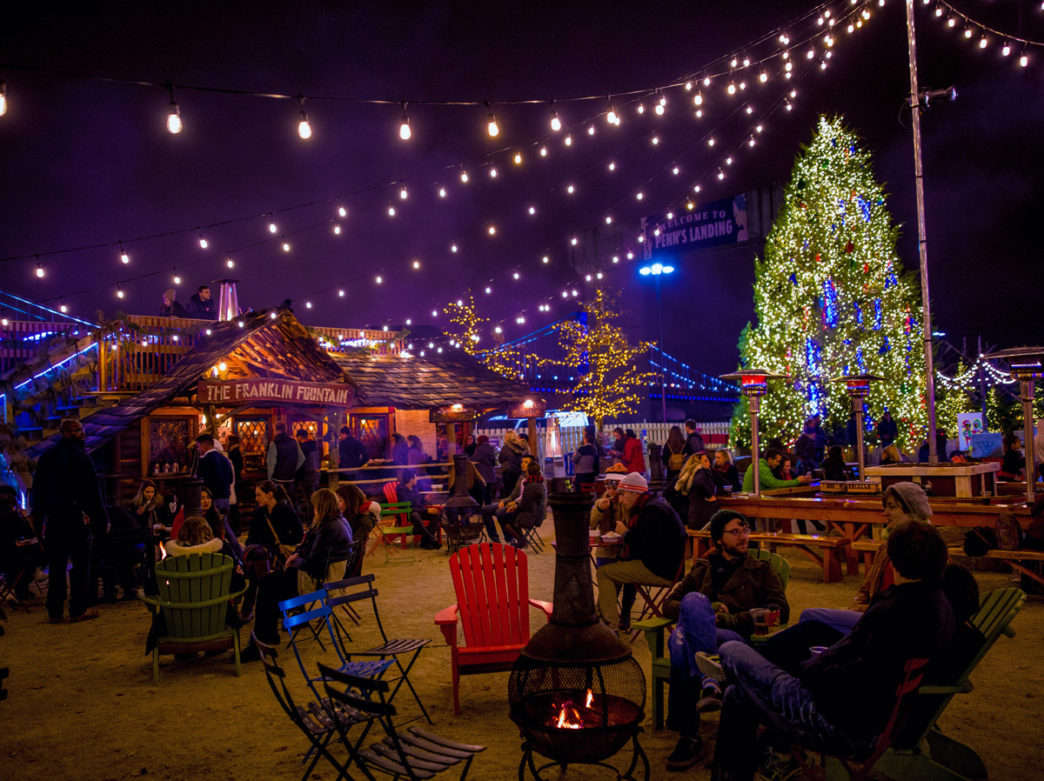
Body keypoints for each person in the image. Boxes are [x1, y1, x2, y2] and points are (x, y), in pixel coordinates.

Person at [711, 520, 955, 781]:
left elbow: (857, 676)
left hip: (836, 723)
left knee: (732, 649)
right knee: (738, 695)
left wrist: (810, 670)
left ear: (893, 561)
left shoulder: (895, 613)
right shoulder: (935, 603)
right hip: (866, 716)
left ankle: (718, 673)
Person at [660, 510, 789, 770]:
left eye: (745, 531)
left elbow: (780, 609)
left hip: (733, 642)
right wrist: (705, 612)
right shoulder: (702, 568)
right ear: (719, 539)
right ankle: (709, 680)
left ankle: (688, 734)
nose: (744, 537)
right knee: (693, 602)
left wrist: (728, 620)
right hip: (706, 639)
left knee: (678, 642)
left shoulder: (761, 570)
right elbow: (668, 605)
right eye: (735, 532)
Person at [800, 481, 932, 635]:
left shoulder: (926, 550)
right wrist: (856, 606)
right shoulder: (886, 548)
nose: (885, 513)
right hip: (874, 615)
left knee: (811, 618)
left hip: (893, 624)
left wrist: (869, 609)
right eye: (885, 507)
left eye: (892, 507)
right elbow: (866, 587)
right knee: (811, 623)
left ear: (911, 511)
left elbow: (913, 605)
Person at [243, 488, 354, 661]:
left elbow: (313, 563)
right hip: (320, 576)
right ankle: (267, 635)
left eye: (315, 505)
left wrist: (295, 561)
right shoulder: (339, 521)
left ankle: (261, 641)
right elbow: (312, 551)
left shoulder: (328, 528)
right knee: (271, 584)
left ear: (321, 506)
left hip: (312, 580)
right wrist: (298, 555)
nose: (313, 508)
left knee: (266, 586)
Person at [31, 418, 108, 623]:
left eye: (81, 430)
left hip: (55, 518)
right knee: (81, 565)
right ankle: (77, 608)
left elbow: (38, 492)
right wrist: (101, 519)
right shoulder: (80, 457)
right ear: (67, 433)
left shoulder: (48, 457)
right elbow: (92, 491)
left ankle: (55, 610)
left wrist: (38, 522)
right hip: (74, 517)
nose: (82, 434)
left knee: (57, 565)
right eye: (78, 431)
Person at [595, 472, 687, 634]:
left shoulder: (652, 511)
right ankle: (602, 618)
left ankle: (610, 627)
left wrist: (626, 534)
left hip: (662, 570)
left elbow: (650, 545)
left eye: (622, 494)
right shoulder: (652, 506)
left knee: (604, 573)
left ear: (633, 492)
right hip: (665, 566)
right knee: (615, 569)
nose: (621, 500)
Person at [0, 485, 43, 602]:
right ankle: (18, 587)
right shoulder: (12, 516)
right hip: (9, 557)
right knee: (34, 553)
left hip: (4, 558)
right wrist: (23, 518)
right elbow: (28, 533)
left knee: (17, 556)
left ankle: (16, 589)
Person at [246, 480, 304, 560]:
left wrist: (275, 542)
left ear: (270, 494)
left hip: (280, 553)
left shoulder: (286, 510)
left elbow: (298, 535)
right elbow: (252, 535)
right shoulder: (260, 512)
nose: (256, 498)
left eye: (259, 495)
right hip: (262, 552)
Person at [495, 460, 547, 548]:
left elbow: (523, 505)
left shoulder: (530, 486)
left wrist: (514, 507)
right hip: (535, 514)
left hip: (530, 516)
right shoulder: (539, 484)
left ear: (530, 473)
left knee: (502, 517)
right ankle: (520, 539)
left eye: (527, 472)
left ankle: (521, 540)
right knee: (505, 514)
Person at [395, 469, 441, 549]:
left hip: (418, 512)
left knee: (436, 514)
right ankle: (431, 538)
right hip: (406, 515)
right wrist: (426, 510)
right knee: (415, 515)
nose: (417, 479)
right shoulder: (401, 491)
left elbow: (418, 501)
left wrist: (425, 499)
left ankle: (425, 542)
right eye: (415, 477)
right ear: (411, 479)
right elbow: (407, 508)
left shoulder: (414, 489)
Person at [199, 486, 243, 564]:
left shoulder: (215, 516)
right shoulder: (195, 518)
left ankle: (239, 564)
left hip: (217, 551)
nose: (206, 501)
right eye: (202, 498)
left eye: (208, 498)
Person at [675, 450, 717, 531]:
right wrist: (710, 495)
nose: (709, 463)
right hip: (702, 514)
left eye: (708, 460)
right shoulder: (699, 471)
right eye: (705, 461)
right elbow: (699, 482)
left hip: (695, 513)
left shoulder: (691, 473)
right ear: (698, 462)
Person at [195, 434, 234, 516]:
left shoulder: (204, 461)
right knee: (223, 524)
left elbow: (200, 481)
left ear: (204, 446)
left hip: (212, 499)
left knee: (213, 524)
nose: (198, 450)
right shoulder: (225, 459)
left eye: (198, 447)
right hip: (226, 498)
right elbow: (230, 479)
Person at [741, 447, 811, 493]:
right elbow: (775, 484)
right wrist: (796, 481)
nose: (779, 464)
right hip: (751, 499)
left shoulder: (759, 465)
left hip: (751, 496)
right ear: (770, 460)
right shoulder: (761, 468)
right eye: (777, 461)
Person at [267, 422, 304, 497]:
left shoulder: (274, 443)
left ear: (277, 430)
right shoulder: (294, 442)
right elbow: (302, 458)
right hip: (291, 478)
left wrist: (269, 480)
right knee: (290, 501)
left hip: (277, 478)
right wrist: (293, 468)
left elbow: (271, 464)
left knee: (278, 502)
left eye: (274, 430)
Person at [498, 429, 529, 499]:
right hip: (519, 471)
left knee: (508, 491)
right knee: (517, 490)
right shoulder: (519, 447)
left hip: (508, 472)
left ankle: (507, 506)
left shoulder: (505, 448)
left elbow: (500, 459)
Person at [295, 428, 321, 508]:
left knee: (309, 499)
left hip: (307, 476)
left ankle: (312, 519)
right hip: (316, 474)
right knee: (315, 498)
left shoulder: (303, 448)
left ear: (299, 437)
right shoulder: (314, 446)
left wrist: (297, 476)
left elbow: (301, 464)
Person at [224, 434, 244, 533]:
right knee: (234, 505)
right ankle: (236, 528)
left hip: (234, 481)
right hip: (236, 480)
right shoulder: (236, 451)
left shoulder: (233, 452)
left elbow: (238, 467)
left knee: (234, 506)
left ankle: (235, 528)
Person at [470, 435, 498, 505]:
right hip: (490, 473)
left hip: (482, 474)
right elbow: (493, 461)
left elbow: (475, 459)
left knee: (481, 493)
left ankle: (481, 509)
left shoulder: (480, 449)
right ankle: (489, 508)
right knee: (488, 493)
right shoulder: (491, 448)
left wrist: (467, 459)